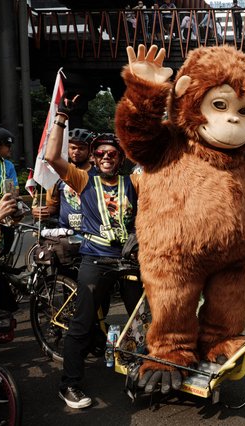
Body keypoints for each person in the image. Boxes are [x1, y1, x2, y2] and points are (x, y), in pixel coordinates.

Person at [45, 95, 143, 409]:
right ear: (94, 156)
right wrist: (61, 116)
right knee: (82, 324)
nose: (105, 157)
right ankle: (69, 385)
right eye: (99, 152)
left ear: (120, 157)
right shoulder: (84, 180)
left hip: (127, 261)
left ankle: (147, 368)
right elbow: (52, 157)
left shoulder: (134, 183)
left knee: (143, 319)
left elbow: (160, 166)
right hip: (94, 260)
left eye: (111, 153)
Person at [32, 128, 94, 233]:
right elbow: (53, 206)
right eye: (73, 148)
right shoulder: (58, 175)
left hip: (93, 233)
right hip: (65, 232)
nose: (76, 152)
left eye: (81, 148)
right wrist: (42, 211)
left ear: (90, 151)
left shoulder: (99, 175)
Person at [0, 126, 18, 201]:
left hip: (3, 204)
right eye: (8, 146)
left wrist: (13, 197)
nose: (10, 149)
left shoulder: (8, 165)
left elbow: (14, 192)